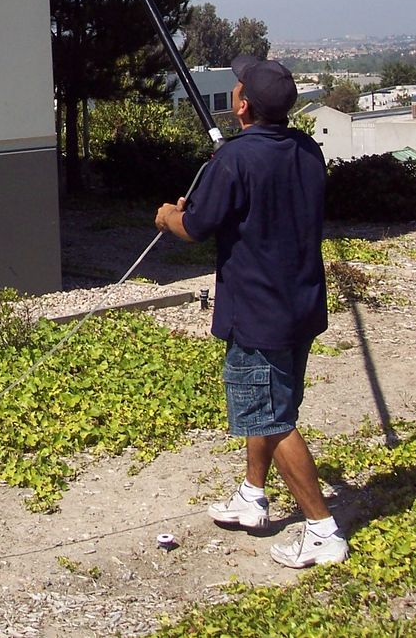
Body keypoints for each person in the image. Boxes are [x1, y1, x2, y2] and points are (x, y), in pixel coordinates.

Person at [155, 54, 349, 568]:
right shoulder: (307, 150)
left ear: (242, 106)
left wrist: (168, 215)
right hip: (300, 306)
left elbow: (196, 226)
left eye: (239, 87)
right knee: (273, 405)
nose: (236, 90)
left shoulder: (235, 160)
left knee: (271, 416)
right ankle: (252, 495)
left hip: (258, 314)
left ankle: (322, 529)